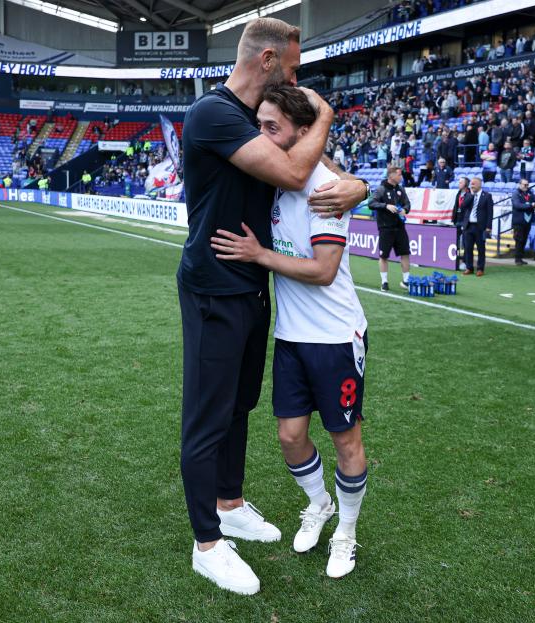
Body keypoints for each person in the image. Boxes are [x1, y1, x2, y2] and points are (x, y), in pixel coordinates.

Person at [175, 17, 367, 595]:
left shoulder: (256, 121)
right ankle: (207, 543)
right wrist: (327, 115)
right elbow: (291, 168)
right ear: (266, 62)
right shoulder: (213, 113)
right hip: (213, 285)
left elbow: (326, 178)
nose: (296, 78)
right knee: (207, 415)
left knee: (240, 405)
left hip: (252, 287)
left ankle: (229, 503)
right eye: (291, 66)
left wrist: (363, 186)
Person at [368, 166, 411, 291]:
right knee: (383, 256)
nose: (401, 177)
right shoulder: (381, 189)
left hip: (400, 227)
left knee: (405, 253)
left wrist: (405, 209)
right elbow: (371, 203)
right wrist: (385, 206)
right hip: (386, 228)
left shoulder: (400, 189)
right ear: (391, 176)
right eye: (399, 174)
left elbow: (407, 204)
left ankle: (406, 281)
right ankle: (384, 282)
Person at [460, 177, 493, 277]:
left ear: (479, 184)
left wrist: (488, 227)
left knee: (481, 249)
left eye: (474, 184)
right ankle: (469, 267)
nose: (471, 186)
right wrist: (470, 196)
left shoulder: (487, 196)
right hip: (468, 226)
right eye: (471, 184)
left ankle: (480, 268)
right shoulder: (469, 195)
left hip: (480, 227)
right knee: (468, 248)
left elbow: (490, 213)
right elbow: (463, 206)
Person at [511, 178, 535, 265]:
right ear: (520, 184)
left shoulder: (530, 193)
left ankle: (520, 258)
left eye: (527, 185)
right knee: (519, 240)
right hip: (519, 221)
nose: (526, 186)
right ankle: (517, 259)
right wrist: (531, 205)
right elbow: (517, 205)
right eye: (524, 184)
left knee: (524, 239)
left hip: (528, 220)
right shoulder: (516, 194)